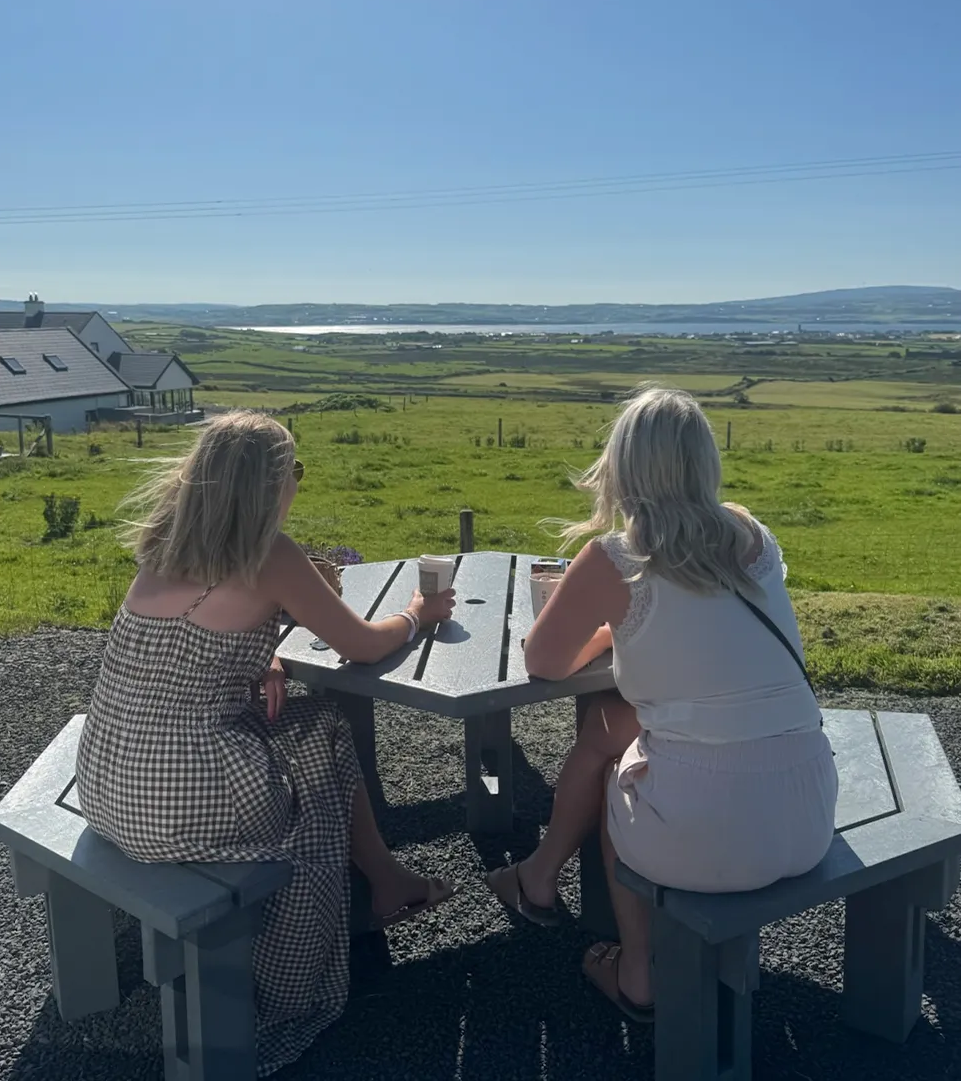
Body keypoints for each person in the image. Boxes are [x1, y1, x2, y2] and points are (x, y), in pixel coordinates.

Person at [76, 411, 457, 1075]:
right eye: (296, 473)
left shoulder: (164, 541)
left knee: (305, 734)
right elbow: (364, 644)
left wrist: (266, 658)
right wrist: (419, 614)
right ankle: (306, 959)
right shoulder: (269, 554)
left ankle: (383, 884)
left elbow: (193, 644)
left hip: (109, 778)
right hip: (181, 798)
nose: (297, 487)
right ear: (268, 485)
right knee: (325, 738)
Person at [487, 385, 838, 1021]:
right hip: (808, 813)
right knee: (606, 733)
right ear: (704, 461)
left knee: (627, 785)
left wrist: (603, 627)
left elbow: (542, 663)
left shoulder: (615, 557)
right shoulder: (752, 535)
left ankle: (638, 971)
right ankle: (538, 877)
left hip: (704, 836)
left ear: (622, 466)